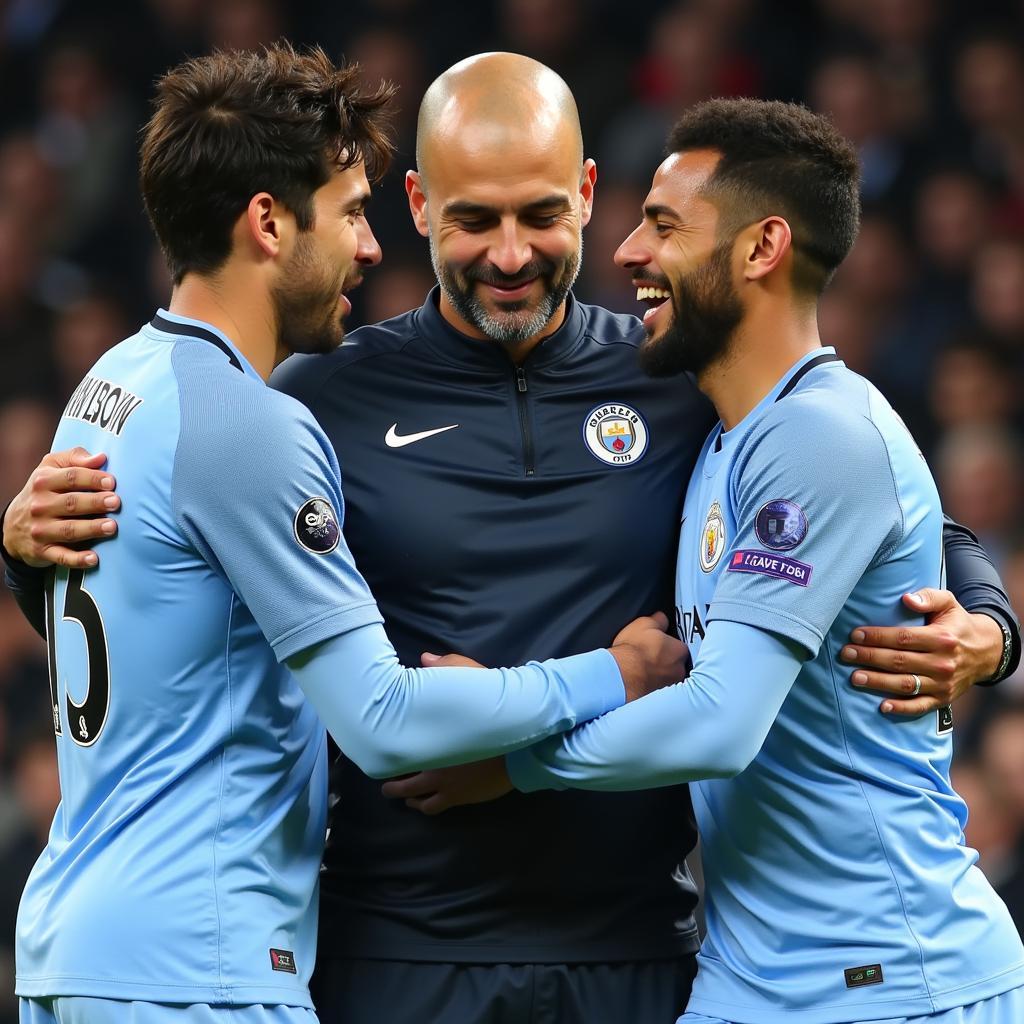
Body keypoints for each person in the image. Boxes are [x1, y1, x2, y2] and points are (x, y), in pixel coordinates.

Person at [3, 55, 1019, 1024]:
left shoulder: (677, 376)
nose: (508, 252)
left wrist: (986, 622)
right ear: (415, 210)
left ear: (584, 194)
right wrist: (29, 551)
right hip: (398, 945)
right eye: (472, 220)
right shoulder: (314, 399)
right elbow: (173, 592)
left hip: (638, 943)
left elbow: (879, 503)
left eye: (539, 215)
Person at [0, 45, 690, 1024]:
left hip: (92, 943)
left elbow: (139, 606)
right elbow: (384, 719)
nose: (368, 250)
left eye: (538, 213)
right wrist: (615, 675)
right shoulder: (264, 418)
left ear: (583, 197)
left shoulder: (112, 383)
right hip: (203, 962)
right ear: (269, 222)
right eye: (353, 212)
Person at [425, 97, 1023, 1024]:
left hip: (884, 977)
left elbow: (718, 725)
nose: (625, 253)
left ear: (760, 248)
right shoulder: (719, 428)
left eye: (663, 226)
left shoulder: (822, 435)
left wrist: (509, 761)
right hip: (752, 973)